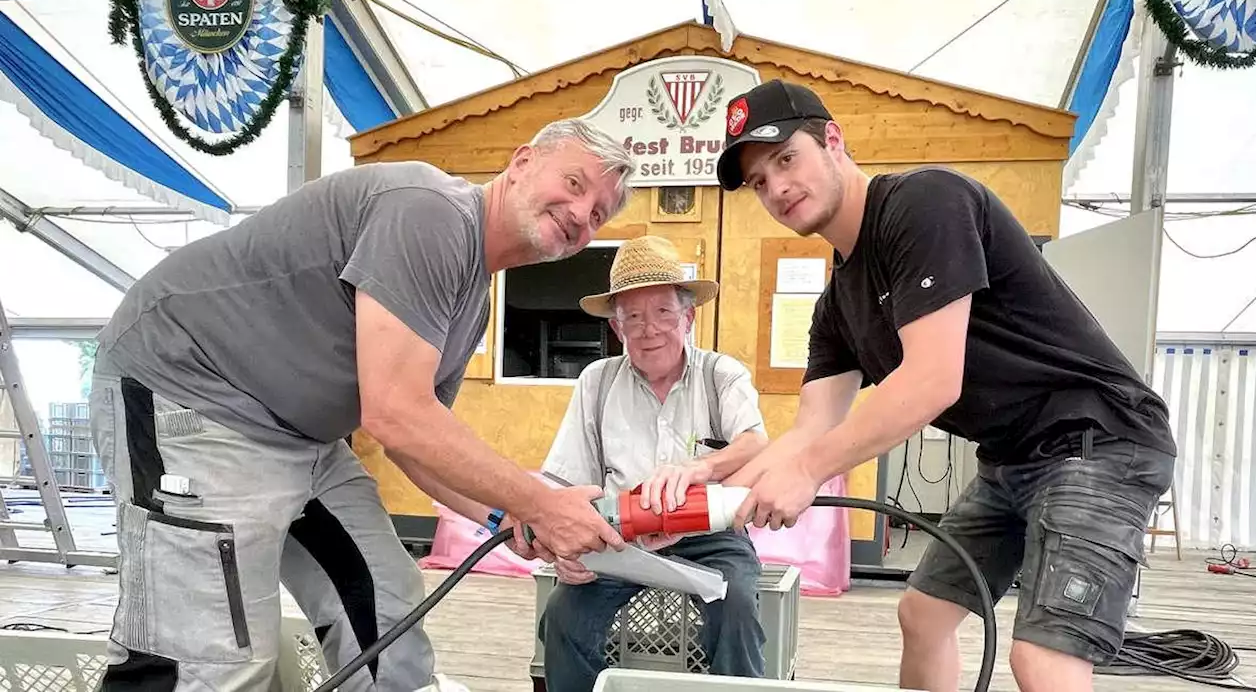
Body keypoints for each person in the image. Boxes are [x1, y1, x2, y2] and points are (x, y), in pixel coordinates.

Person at [86, 118, 637, 692]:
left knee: (388, 611)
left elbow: (420, 443)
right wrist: (545, 505)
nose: (581, 214)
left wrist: (508, 516)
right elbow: (396, 415)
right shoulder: (430, 211)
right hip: (192, 394)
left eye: (598, 214)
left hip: (304, 439)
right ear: (522, 161)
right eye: (575, 184)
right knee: (208, 659)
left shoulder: (474, 300)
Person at [713, 79, 1177, 692]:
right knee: (923, 614)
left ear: (832, 139)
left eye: (784, 158)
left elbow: (932, 382)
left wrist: (806, 473)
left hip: (1100, 439)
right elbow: (810, 428)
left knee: (1042, 659)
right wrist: (700, 507)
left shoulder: (923, 203)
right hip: (1011, 459)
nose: (776, 187)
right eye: (759, 182)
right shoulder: (837, 305)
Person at [535, 235, 771, 690]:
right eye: (633, 317)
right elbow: (565, 484)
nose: (649, 329)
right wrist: (565, 548)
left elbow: (756, 443)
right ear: (618, 329)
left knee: (738, 606)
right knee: (562, 617)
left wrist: (698, 469)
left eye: (663, 312)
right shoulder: (596, 381)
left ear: (688, 317)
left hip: (711, 535)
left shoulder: (720, 374)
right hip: (620, 539)